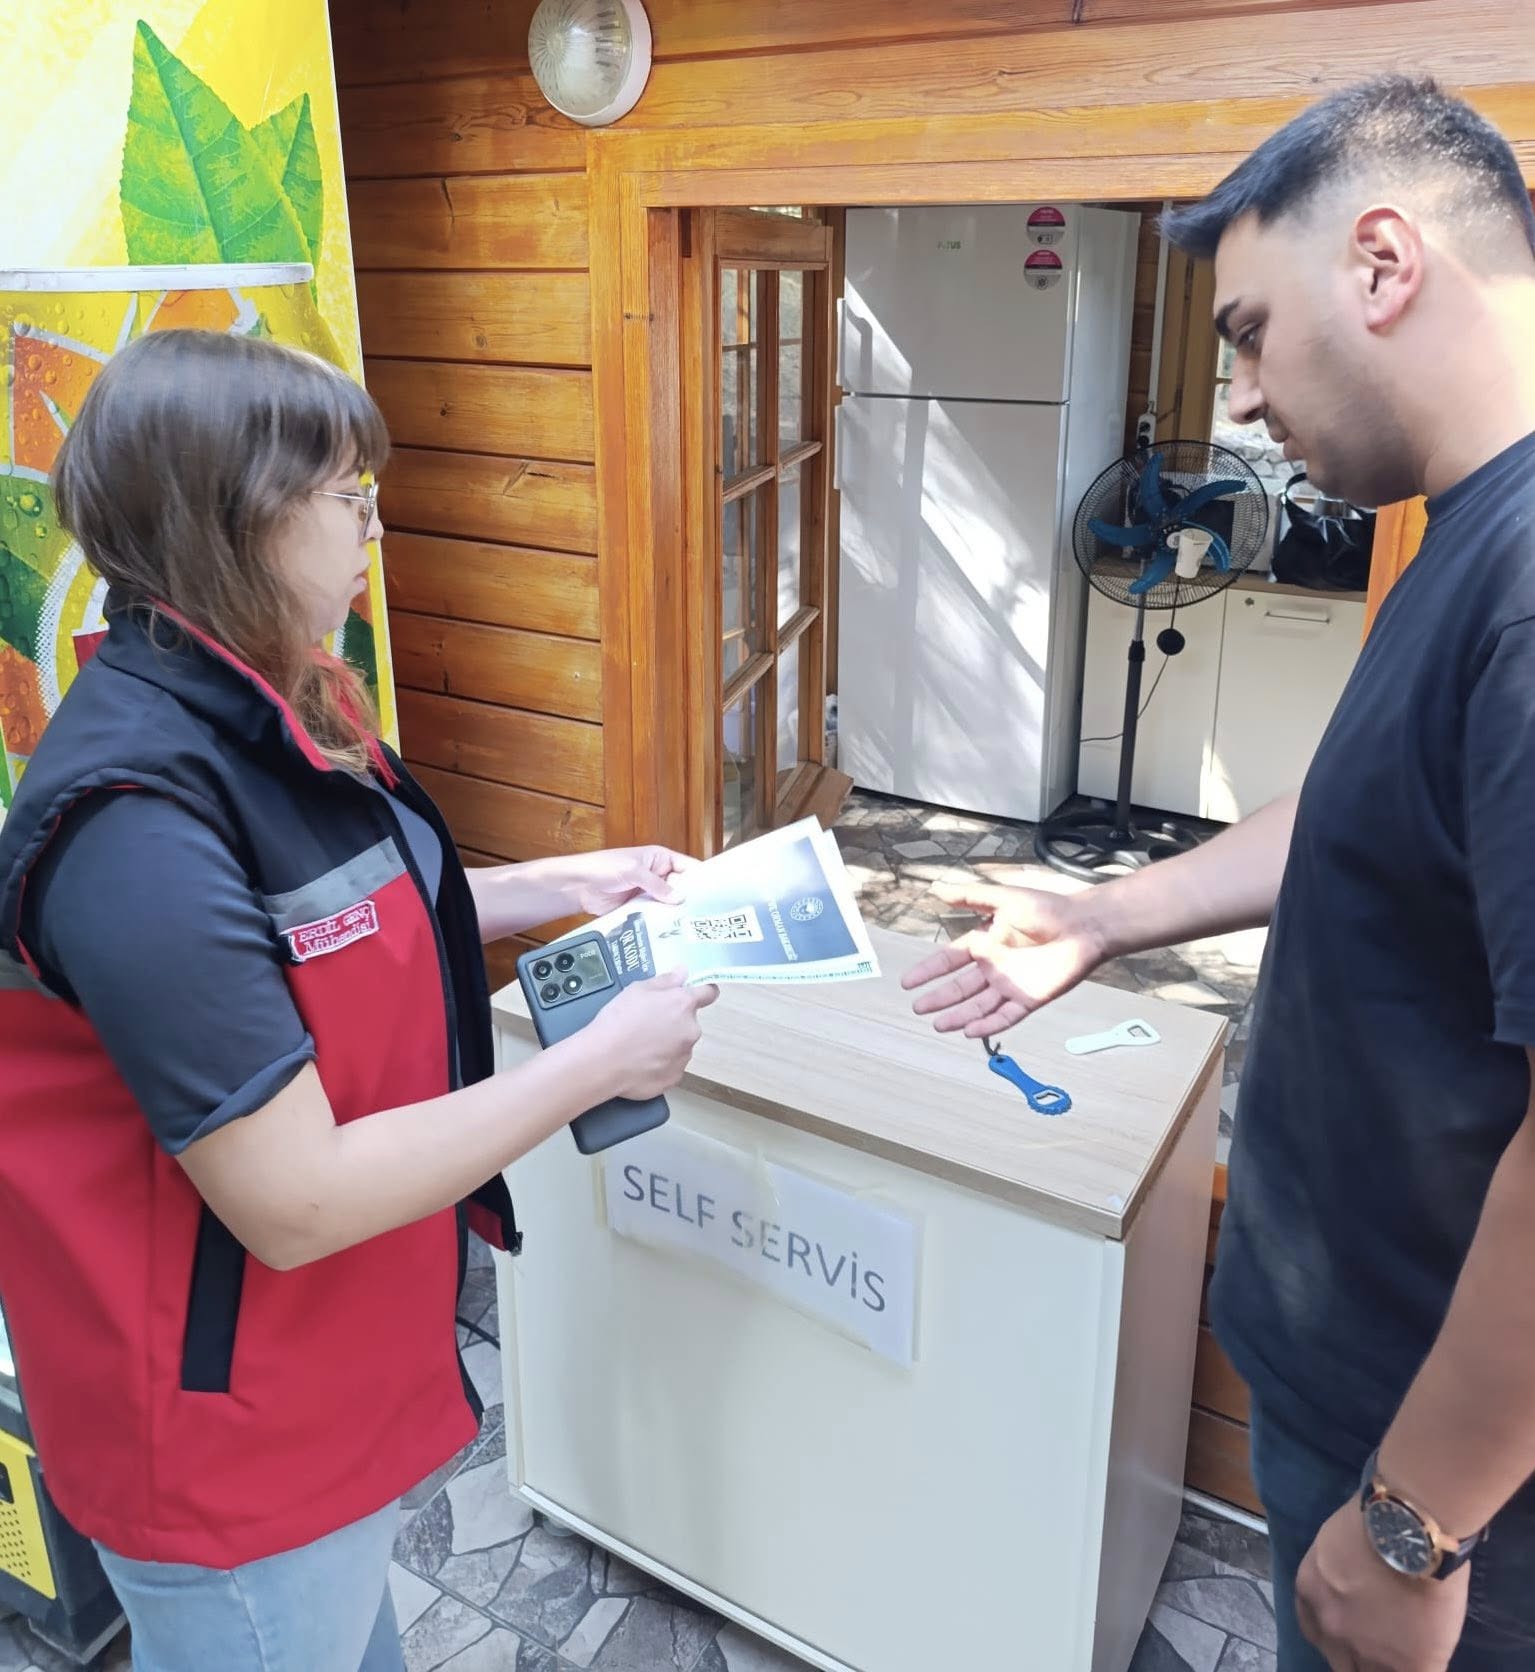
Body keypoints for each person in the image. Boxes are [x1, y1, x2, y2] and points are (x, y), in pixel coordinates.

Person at [906, 76, 1535, 1672]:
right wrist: (1102, 915)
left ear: (1384, 263)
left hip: (1451, 1485)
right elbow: (1359, 814)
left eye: (1250, 331)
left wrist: (1414, 1523)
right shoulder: (1473, 533)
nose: (1241, 394)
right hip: (1363, 1397)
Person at [0, 328, 717, 1672]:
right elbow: (296, 1196)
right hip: (219, 1418)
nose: (372, 531)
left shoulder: (283, 695)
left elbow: (358, 911)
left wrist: (578, 877)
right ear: (243, 516)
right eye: (348, 499)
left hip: (325, 1360)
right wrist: (600, 1062)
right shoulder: (133, 822)